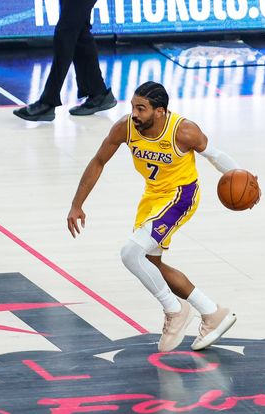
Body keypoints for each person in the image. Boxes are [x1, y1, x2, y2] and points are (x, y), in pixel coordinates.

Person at [67, 81, 240, 352]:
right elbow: (99, 160)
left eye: (142, 108)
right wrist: (77, 204)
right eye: (133, 107)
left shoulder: (183, 130)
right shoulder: (125, 127)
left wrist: (242, 176)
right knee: (150, 263)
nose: (134, 114)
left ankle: (174, 310)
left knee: (130, 253)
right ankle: (212, 312)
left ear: (160, 111)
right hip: (153, 197)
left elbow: (214, 155)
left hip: (181, 195)